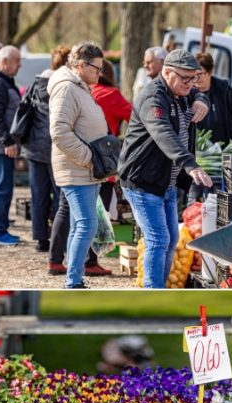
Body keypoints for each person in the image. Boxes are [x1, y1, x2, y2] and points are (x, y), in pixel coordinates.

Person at [118, 49, 212, 288]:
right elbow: (163, 133)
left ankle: (159, 285)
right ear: (167, 72)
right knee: (158, 240)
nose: (190, 84)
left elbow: (202, 95)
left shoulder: (182, 93)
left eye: (194, 78)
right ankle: (153, 290)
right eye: (185, 78)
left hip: (165, 183)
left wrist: (202, 100)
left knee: (170, 241)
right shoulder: (153, 97)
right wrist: (189, 164)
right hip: (143, 181)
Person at [47, 41, 111, 289]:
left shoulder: (80, 87)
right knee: (87, 223)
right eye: (97, 68)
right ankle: (73, 280)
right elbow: (60, 132)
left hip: (86, 168)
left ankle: (74, 276)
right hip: (77, 167)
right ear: (82, 65)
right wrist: (88, 157)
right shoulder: (67, 89)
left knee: (79, 224)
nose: (100, 73)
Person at [21, 45, 68, 254]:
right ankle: (60, 239)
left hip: (33, 148)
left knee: (38, 194)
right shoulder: (63, 85)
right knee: (60, 195)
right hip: (54, 147)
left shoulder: (37, 83)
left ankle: (40, 238)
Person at [88, 59, 131, 262]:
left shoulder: (86, 90)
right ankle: (91, 260)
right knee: (100, 211)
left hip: (82, 158)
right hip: (103, 161)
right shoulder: (110, 94)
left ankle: (78, 258)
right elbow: (136, 117)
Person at [0, 45, 22, 246]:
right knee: (0, 188)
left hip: (3, 146)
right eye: (17, 61)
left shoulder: (5, 82)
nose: (20, 65)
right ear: (5, 62)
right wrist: (7, 141)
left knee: (3, 187)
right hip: (0, 147)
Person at [192, 52, 232, 151]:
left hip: (225, 152)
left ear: (209, 72)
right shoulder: (188, 93)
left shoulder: (224, 90)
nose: (196, 79)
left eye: (200, 74)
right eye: (193, 75)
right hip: (198, 153)